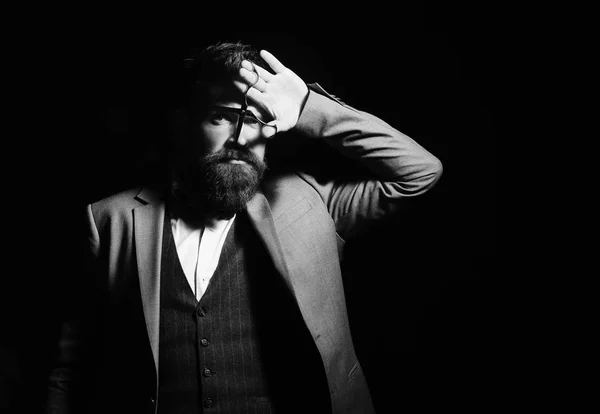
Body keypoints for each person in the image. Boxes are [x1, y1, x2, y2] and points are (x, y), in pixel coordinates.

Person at [47, 41, 443, 414]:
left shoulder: (311, 203)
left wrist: (308, 108)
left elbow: (419, 172)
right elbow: (73, 364)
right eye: (221, 115)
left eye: (256, 118)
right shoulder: (109, 219)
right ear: (184, 123)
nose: (240, 136)